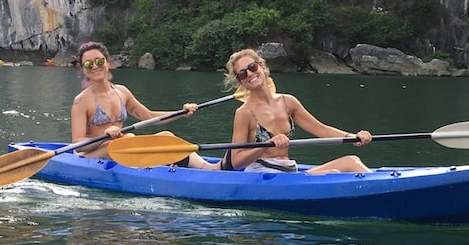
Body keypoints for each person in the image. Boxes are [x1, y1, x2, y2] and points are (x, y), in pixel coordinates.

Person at [70, 41, 219, 169]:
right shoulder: (81, 101)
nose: (95, 66)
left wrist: (181, 112)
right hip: (90, 155)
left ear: (108, 62)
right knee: (126, 139)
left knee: (167, 136)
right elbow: (78, 144)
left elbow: (149, 116)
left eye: (99, 61)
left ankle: (209, 168)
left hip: (123, 148)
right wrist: (104, 136)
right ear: (83, 69)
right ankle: (158, 165)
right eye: (89, 64)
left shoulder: (122, 92)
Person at [223, 49, 372, 173]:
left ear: (262, 66)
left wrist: (352, 137)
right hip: (262, 173)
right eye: (242, 74)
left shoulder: (288, 102)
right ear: (240, 81)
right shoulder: (244, 113)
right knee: (333, 173)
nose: (249, 74)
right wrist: (266, 145)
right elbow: (236, 161)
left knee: (352, 162)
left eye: (252, 67)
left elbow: (322, 130)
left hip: (288, 170)